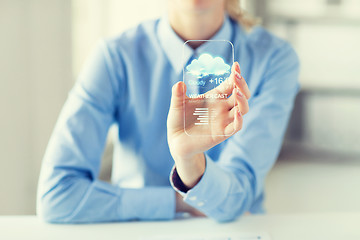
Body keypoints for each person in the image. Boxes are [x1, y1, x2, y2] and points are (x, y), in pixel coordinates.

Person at [37, 0, 299, 223]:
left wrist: (190, 161)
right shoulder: (115, 57)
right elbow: (57, 197)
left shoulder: (274, 58)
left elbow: (236, 199)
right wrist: (179, 202)